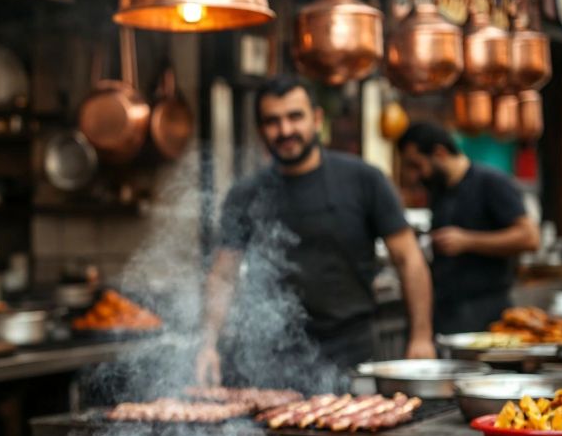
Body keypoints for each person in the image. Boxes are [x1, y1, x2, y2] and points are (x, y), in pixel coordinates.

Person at [196, 76, 435, 386]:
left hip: (352, 352)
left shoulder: (364, 180)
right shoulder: (246, 194)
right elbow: (223, 275)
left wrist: (421, 336)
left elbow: (408, 259)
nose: (285, 131)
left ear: (317, 119)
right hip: (272, 358)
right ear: (260, 131)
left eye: (295, 117)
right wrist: (207, 344)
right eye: (273, 121)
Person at [398, 122, 539, 334]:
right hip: (446, 310)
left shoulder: (490, 182)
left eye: (418, 165)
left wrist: (468, 241)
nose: (417, 175)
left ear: (440, 153)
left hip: (485, 310)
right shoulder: (440, 191)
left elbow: (530, 237)